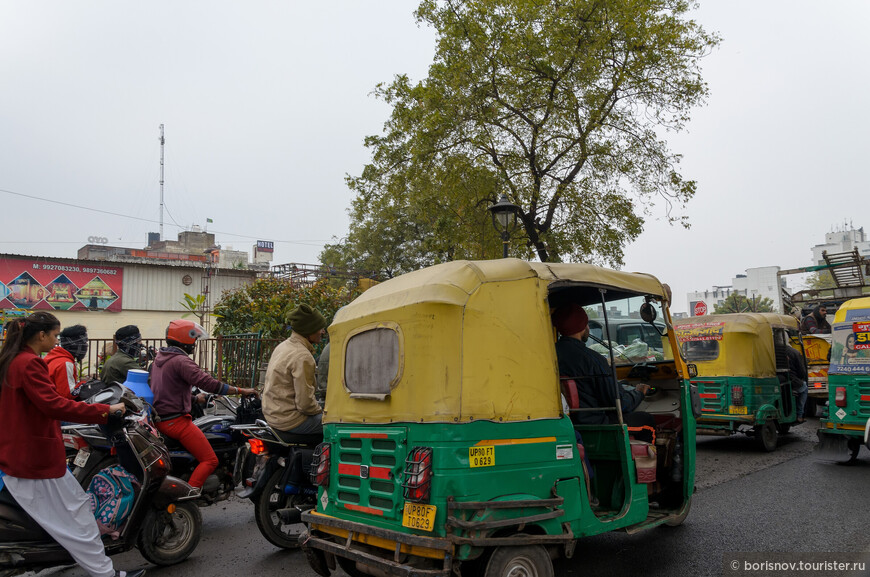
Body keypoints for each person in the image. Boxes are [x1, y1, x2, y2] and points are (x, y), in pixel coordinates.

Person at [0, 313, 142, 577]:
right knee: (80, 516)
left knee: (71, 514)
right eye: (54, 335)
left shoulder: (12, 360)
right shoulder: (30, 363)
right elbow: (55, 404)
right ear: (41, 335)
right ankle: (105, 574)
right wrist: (105, 411)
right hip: (36, 459)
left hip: (18, 454)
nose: (56, 341)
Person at [149, 320, 257, 492]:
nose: (195, 344)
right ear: (186, 339)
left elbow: (168, 391)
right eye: (194, 340)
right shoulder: (181, 361)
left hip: (162, 418)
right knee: (210, 460)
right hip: (176, 422)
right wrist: (241, 390)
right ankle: (187, 496)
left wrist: (193, 399)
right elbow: (210, 384)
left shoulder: (161, 358)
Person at [551, 303, 654, 438]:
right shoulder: (592, 360)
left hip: (564, 423)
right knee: (647, 420)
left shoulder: (549, 356)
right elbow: (621, 404)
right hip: (595, 424)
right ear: (583, 326)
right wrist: (639, 393)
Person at [263, 304, 326, 440]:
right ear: (309, 330)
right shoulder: (302, 356)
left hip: (273, 416)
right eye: (320, 328)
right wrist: (322, 410)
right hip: (291, 421)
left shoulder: (283, 346)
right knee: (337, 424)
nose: (323, 332)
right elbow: (305, 405)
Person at [44, 324, 88, 399]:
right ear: (74, 345)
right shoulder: (65, 363)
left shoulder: (55, 357)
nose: (86, 346)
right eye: (84, 343)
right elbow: (68, 394)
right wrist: (84, 384)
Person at [785, 345, 808, 424]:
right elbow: (802, 372)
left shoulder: (771, 350)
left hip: (778, 379)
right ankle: (799, 415)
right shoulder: (794, 352)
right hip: (791, 381)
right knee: (804, 386)